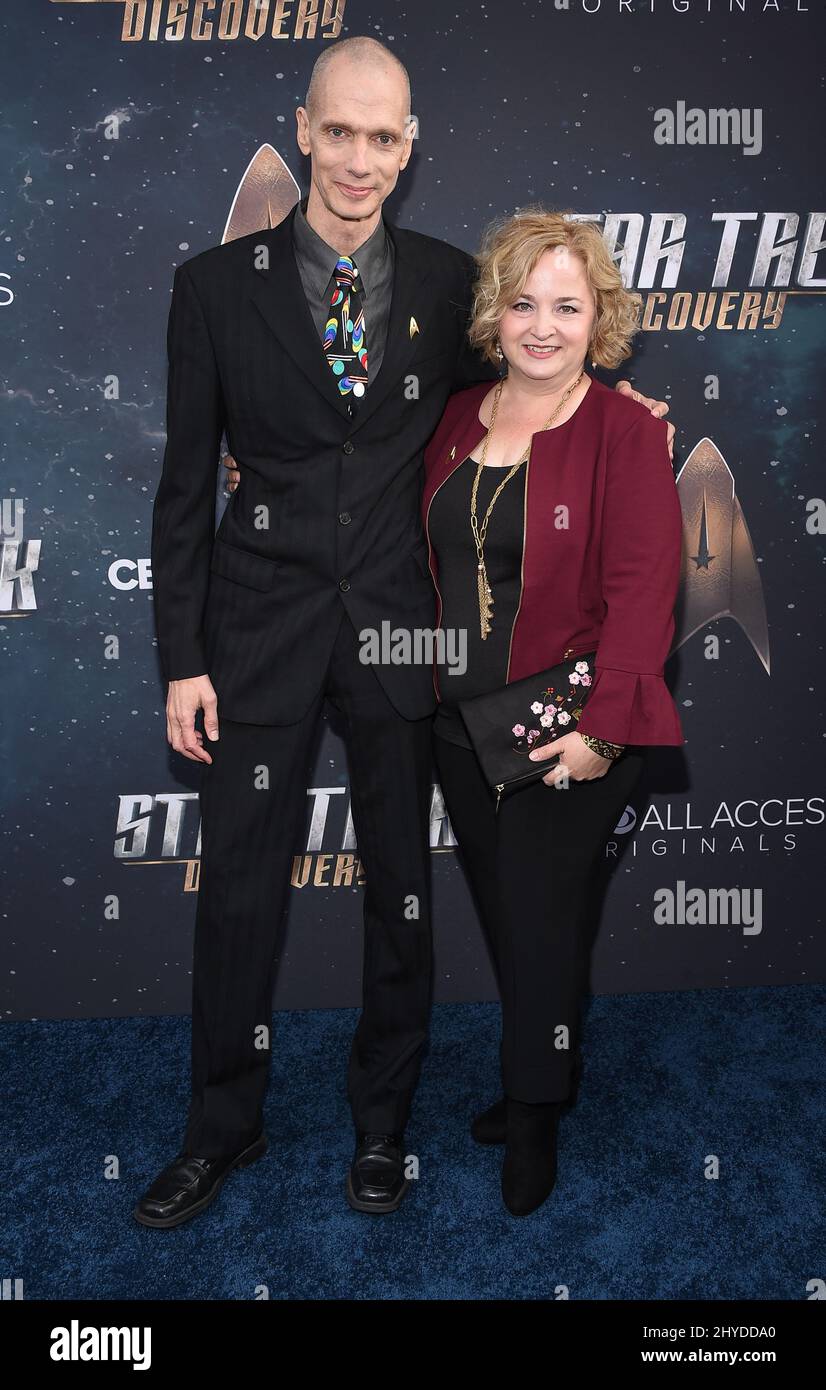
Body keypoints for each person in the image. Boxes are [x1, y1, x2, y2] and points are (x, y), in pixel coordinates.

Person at [143, 35, 673, 1227]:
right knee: (237, 897)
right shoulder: (211, 289)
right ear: (306, 127)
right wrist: (182, 654)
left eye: (384, 137)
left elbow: (543, 375)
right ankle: (218, 1129)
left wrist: (625, 402)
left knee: (400, 894)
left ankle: (382, 1128)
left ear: (410, 147)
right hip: (257, 636)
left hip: (403, 642)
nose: (359, 159)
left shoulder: (445, 285)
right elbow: (182, 491)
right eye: (340, 131)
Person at [421, 209, 684, 1215]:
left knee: (537, 929)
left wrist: (602, 733)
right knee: (513, 920)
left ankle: (532, 1115)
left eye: (566, 306)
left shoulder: (625, 429)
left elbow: (643, 589)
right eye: (524, 302)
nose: (542, 325)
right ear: (495, 310)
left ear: (598, 316)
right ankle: (549, 1066)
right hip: (457, 723)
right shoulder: (454, 417)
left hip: (570, 731)